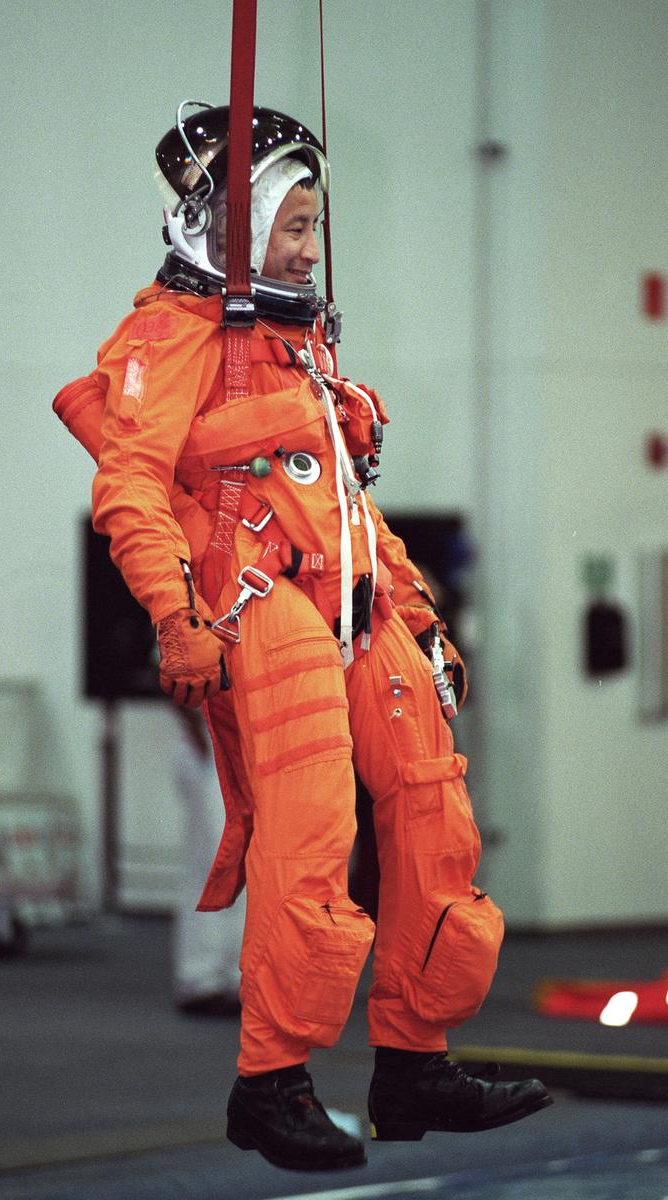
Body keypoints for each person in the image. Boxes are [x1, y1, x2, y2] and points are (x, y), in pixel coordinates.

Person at [53, 103, 551, 1173]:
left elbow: (342, 504)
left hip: (350, 595)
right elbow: (129, 482)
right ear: (224, 227)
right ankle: (269, 1080)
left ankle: (413, 1063)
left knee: (429, 802)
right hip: (253, 603)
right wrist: (173, 612)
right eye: (288, 222)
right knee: (311, 830)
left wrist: (416, 616)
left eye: (314, 222)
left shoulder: (298, 346)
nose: (307, 244)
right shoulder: (174, 337)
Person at [172, 709, 243, 1015]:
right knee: (217, 865)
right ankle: (204, 976)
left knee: (242, 869)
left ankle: (232, 975)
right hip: (213, 741)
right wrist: (197, 729)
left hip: (239, 743)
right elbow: (174, 669)